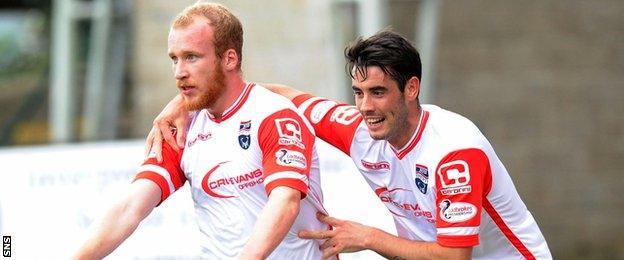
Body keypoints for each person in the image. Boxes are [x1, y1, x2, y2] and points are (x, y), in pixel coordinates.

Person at [147, 30, 553, 259]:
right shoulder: (358, 128)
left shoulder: (454, 152)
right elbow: (268, 93)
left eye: (378, 92)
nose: (365, 107)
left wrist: (367, 237)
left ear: (412, 88)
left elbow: (453, 257)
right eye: (357, 92)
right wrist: (182, 103)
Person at [74, 3, 329, 259]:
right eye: (174, 59)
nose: (179, 73)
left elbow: (285, 203)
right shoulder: (181, 126)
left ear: (230, 58)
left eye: (191, 57)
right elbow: (130, 208)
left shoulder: (274, 114)